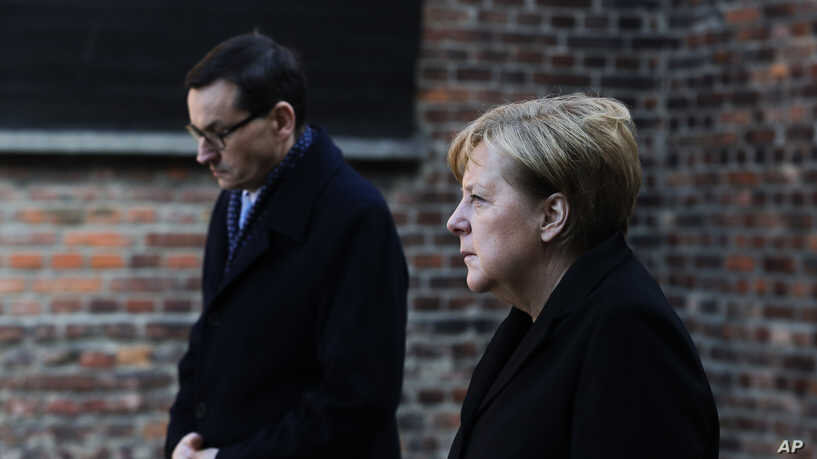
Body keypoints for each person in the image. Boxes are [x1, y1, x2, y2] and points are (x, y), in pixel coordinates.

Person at [165, 32, 408, 459]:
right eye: (197, 133)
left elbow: (357, 402)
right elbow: (208, 342)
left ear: (281, 121)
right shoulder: (235, 199)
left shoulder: (355, 216)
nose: (203, 154)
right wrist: (181, 440)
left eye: (218, 134)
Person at [444, 94, 719, 458]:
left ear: (551, 216)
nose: (455, 221)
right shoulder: (533, 319)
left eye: (478, 198)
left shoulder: (628, 333)